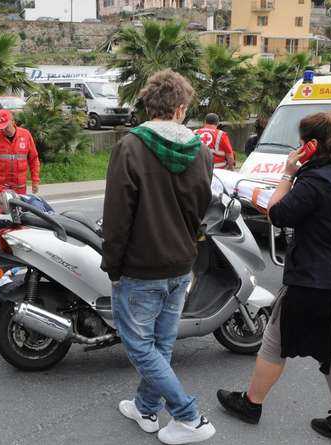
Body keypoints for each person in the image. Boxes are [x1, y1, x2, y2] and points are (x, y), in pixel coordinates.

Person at [217, 112, 331, 445]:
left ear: (313, 145)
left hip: (314, 283)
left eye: (303, 142)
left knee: (274, 342)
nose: (299, 147)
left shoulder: (316, 180)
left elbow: (278, 212)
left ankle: (251, 404)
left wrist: (288, 172)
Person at [101, 69, 215, 445]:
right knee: (161, 345)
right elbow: (201, 210)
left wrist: (112, 266)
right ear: (181, 109)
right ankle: (146, 408)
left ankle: (189, 416)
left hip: (140, 267)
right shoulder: (201, 151)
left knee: (138, 346)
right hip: (181, 264)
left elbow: (117, 216)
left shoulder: (130, 146)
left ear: (148, 105)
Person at [0, 109, 40, 249]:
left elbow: (33, 159)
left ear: (12, 121)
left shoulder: (25, 135)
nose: (4, 130)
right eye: (1, 127)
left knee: (18, 218)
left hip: (18, 187)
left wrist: (35, 180)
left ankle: (16, 249)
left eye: (6, 126)